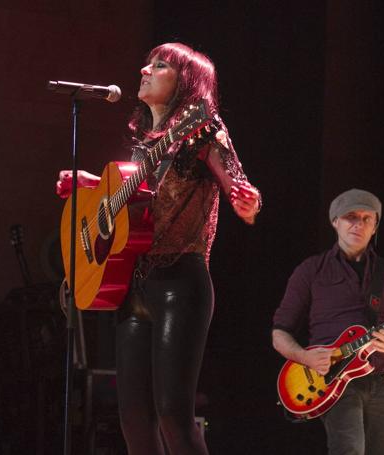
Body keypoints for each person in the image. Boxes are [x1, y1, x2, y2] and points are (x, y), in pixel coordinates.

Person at [57, 42, 261, 455]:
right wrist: (92, 186)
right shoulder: (144, 148)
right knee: (133, 417)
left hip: (179, 285)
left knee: (172, 413)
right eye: (149, 63)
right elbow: (135, 207)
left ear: (186, 82)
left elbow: (240, 184)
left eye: (160, 64)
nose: (144, 69)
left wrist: (248, 201)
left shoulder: (202, 128)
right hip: (134, 287)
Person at [272, 188, 384, 455]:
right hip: (334, 379)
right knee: (349, 449)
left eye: (367, 218)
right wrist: (305, 357)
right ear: (335, 221)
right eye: (351, 216)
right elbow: (279, 332)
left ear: (375, 226)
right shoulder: (311, 270)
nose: (358, 224)